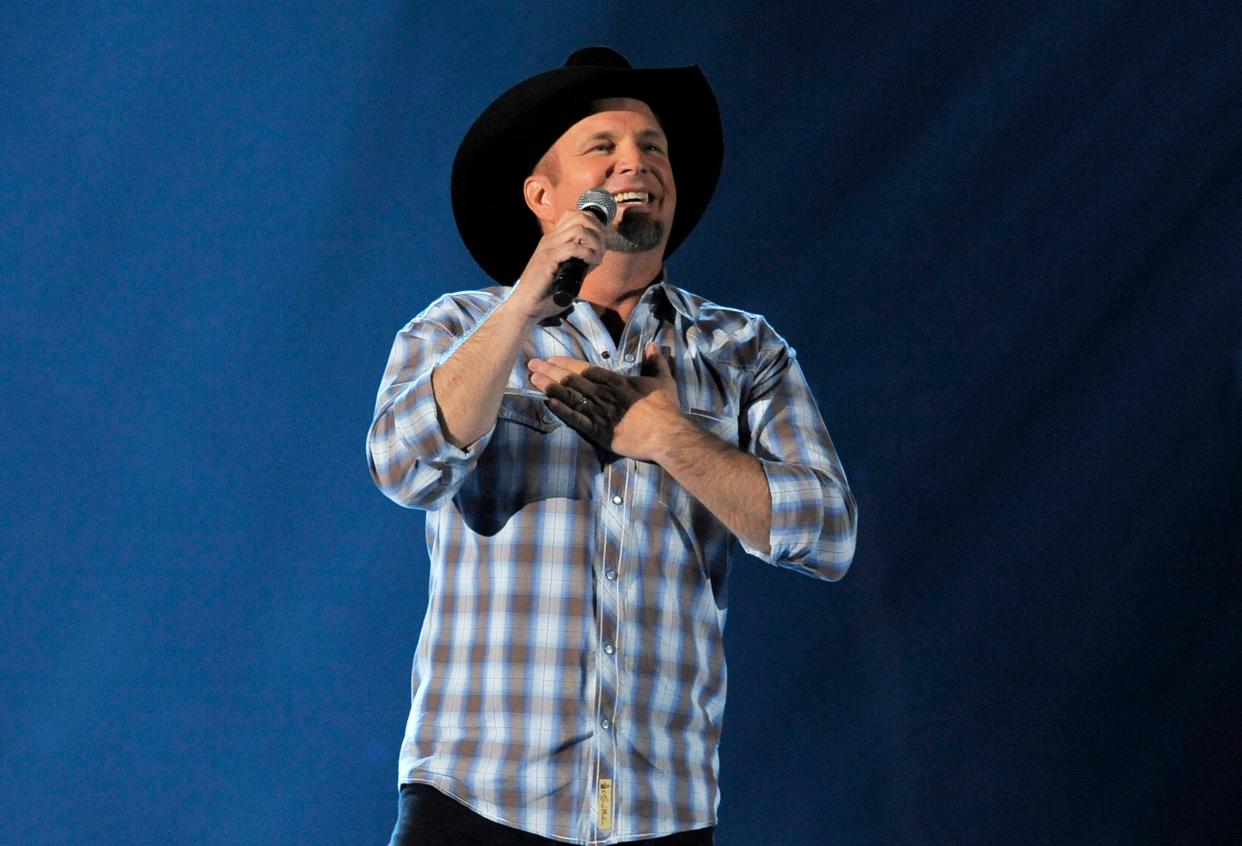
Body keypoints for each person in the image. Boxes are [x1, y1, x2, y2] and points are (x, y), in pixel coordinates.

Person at [368, 47, 857, 846]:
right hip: (478, 806)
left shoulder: (743, 350)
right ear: (543, 195)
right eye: (606, 147)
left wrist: (666, 437)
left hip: (658, 818)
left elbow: (829, 535)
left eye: (654, 148)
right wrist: (529, 296)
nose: (638, 162)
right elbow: (400, 465)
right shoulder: (458, 327)